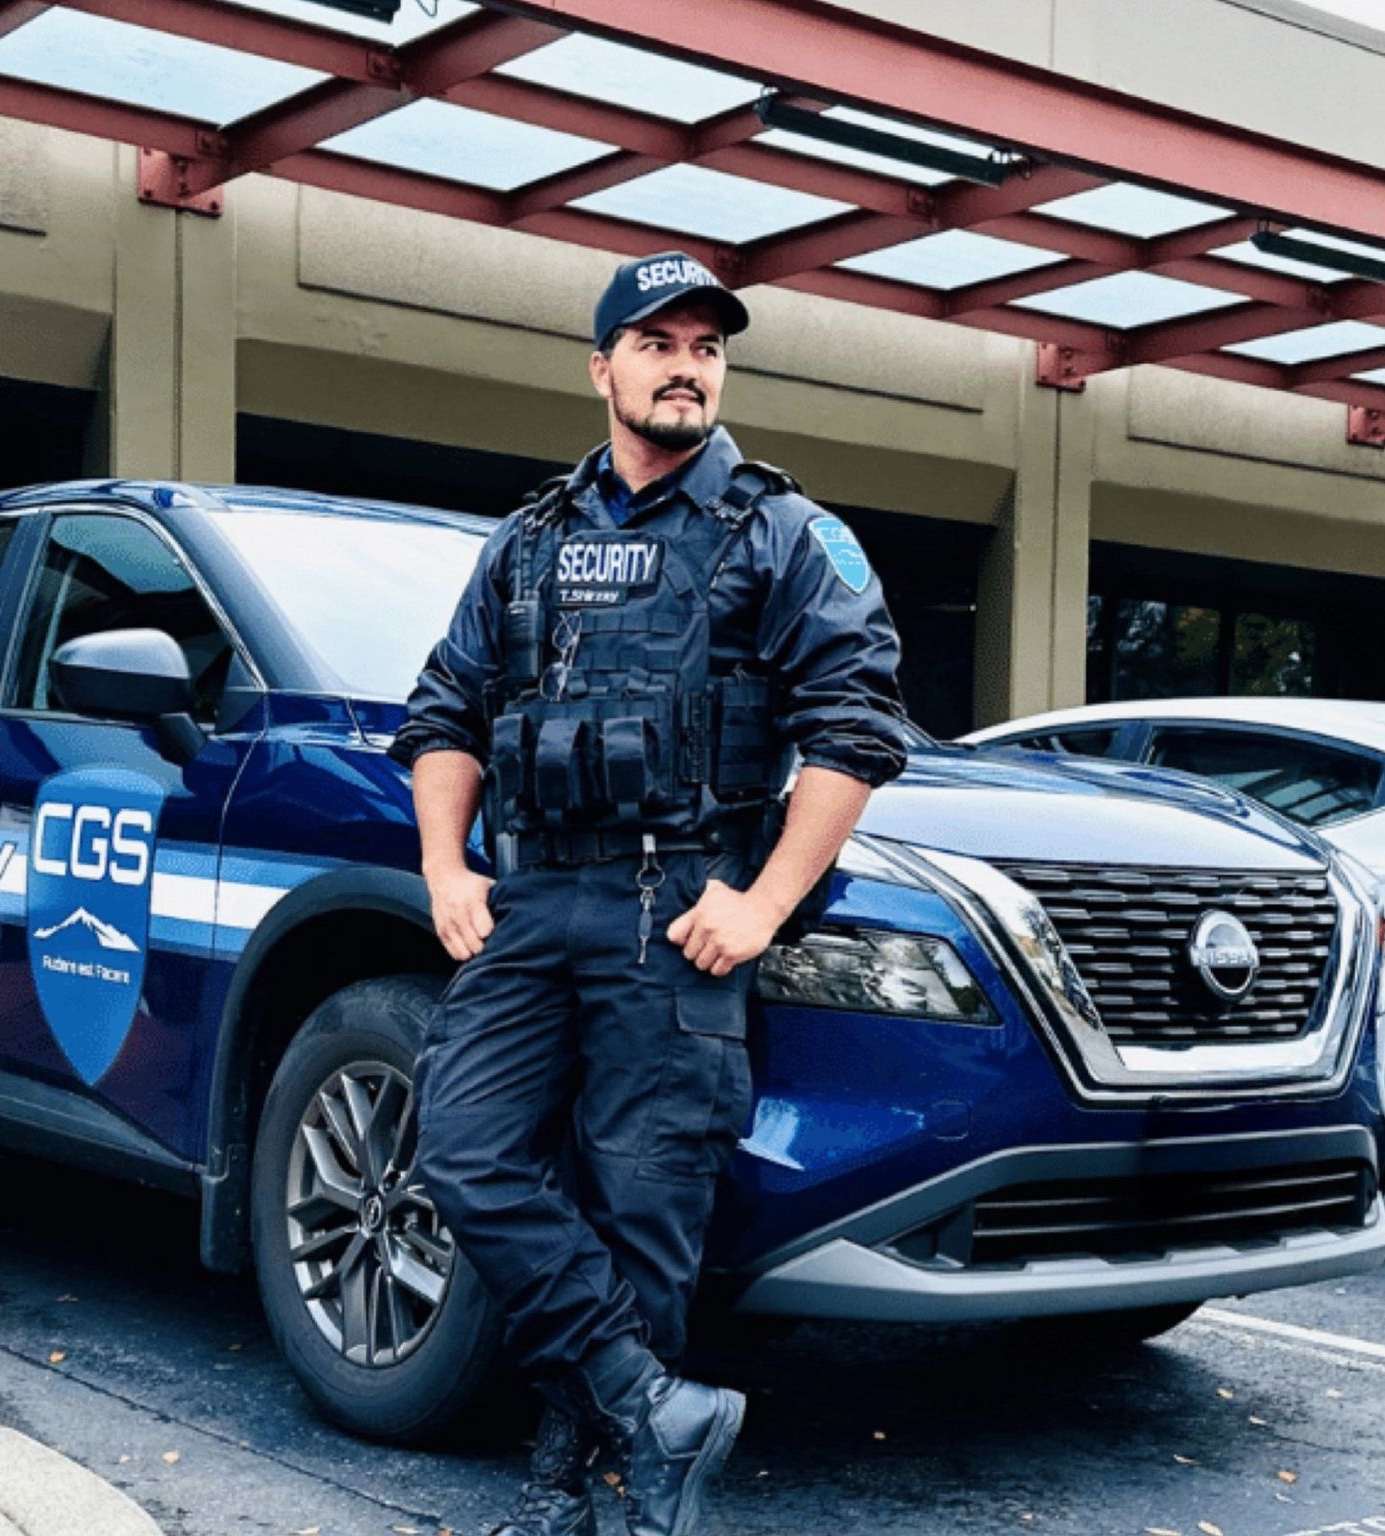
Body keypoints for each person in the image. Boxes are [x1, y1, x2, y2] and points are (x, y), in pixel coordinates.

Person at [389, 251, 911, 1536]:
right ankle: (649, 1403)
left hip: (673, 915)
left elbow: (857, 728)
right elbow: (446, 712)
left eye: (707, 347)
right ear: (602, 368)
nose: (687, 364)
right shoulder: (529, 540)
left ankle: (586, 1497)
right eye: (658, 341)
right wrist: (445, 866)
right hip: (532, 902)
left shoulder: (784, 533)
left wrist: (767, 901)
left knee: (642, 1214)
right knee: (461, 1153)